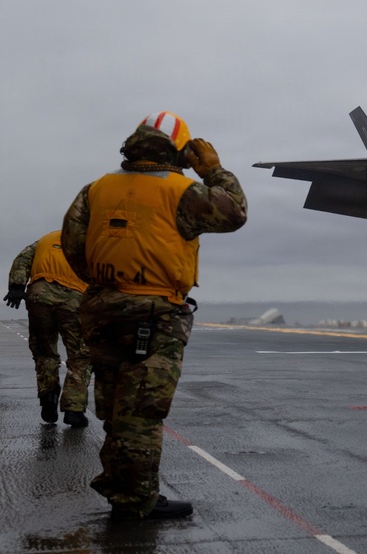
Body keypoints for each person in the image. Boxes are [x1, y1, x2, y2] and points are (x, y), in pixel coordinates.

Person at [61, 111, 247, 521]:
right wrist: (214, 170)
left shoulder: (95, 189)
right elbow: (234, 213)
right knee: (142, 409)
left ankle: (122, 489)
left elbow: (72, 245)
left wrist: (108, 284)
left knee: (113, 406)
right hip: (155, 313)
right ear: (179, 150)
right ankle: (134, 502)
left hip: (102, 308)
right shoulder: (182, 190)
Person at [5, 230, 91, 426]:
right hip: (74, 298)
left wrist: (17, 285)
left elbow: (23, 257)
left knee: (44, 350)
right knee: (80, 355)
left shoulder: (47, 239)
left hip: (39, 295)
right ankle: (74, 409)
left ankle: (48, 398)